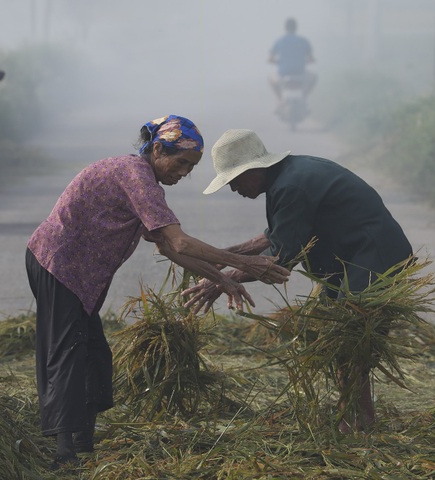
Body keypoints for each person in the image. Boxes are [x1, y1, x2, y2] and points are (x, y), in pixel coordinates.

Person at [25, 117, 290, 468]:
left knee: (94, 353)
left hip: (80, 276)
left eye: (191, 167)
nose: (184, 173)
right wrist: (245, 264)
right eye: (180, 162)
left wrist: (223, 279)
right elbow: (180, 240)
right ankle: (64, 454)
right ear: (155, 149)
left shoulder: (144, 183)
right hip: (57, 264)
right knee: (69, 351)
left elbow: (169, 248)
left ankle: (82, 442)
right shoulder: (135, 175)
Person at [182, 129, 413, 433]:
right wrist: (221, 256)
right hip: (353, 260)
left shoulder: (291, 186)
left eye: (235, 180)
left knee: (349, 340)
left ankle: (357, 422)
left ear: (254, 169)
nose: (234, 188)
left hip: (372, 259)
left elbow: (279, 261)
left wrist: (219, 281)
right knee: (341, 339)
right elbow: (274, 236)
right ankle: (356, 419)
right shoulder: (289, 176)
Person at [268, 17, 317, 101]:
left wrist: (278, 62)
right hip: (300, 72)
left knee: (271, 79)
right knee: (314, 78)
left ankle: (280, 99)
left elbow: (270, 59)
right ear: (296, 27)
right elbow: (311, 59)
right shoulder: (303, 41)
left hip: (283, 73)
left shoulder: (280, 41)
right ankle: (304, 96)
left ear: (285, 28)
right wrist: (304, 61)